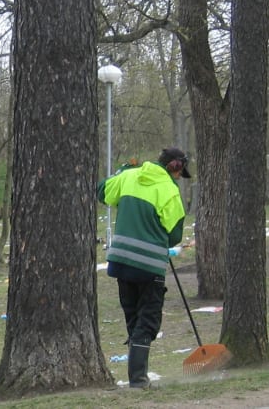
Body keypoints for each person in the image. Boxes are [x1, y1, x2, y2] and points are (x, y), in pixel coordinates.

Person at [97, 147, 190, 389]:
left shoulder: (129, 176)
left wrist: (120, 172)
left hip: (121, 262)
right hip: (149, 265)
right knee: (147, 322)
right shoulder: (170, 191)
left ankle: (137, 374)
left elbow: (101, 191)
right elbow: (174, 236)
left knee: (134, 317)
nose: (179, 178)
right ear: (175, 167)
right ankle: (138, 380)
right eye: (180, 173)